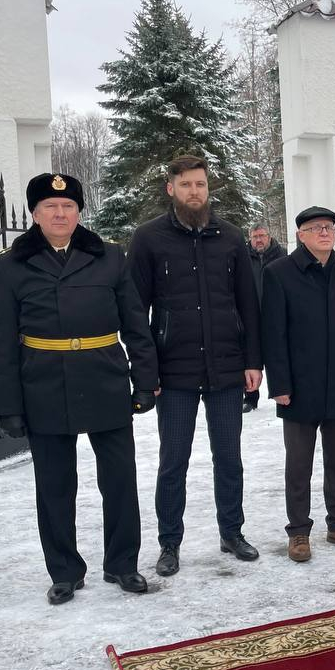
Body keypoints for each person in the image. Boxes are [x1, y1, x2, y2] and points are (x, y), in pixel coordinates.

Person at [0, 173, 159, 604]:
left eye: (67, 207)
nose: (60, 214)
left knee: (119, 479)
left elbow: (136, 324)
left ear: (79, 211)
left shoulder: (109, 255)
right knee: (54, 484)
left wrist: (145, 381)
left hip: (104, 376)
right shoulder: (11, 264)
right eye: (50, 207)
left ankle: (123, 564)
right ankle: (64, 571)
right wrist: (6, 402)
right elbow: (1, 338)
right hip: (43, 382)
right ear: (34, 214)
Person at [126, 154, 263, 578]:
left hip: (225, 369)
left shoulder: (231, 237)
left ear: (208, 189)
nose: (194, 192)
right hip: (175, 372)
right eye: (186, 184)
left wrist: (253, 361)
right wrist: (147, 374)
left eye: (200, 184)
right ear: (171, 188)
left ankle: (232, 531)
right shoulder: (149, 239)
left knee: (229, 456)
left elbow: (248, 305)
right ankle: (170, 542)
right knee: (174, 460)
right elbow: (135, 311)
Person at [261, 206, 335, 563]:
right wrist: (279, 384)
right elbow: (273, 333)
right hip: (299, 385)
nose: (324, 233)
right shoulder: (279, 273)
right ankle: (298, 531)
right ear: (301, 235)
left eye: (329, 227)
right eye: (315, 228)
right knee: (299, 462)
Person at [243, 220, 285, 413]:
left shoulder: (283, 256)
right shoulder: (242, 258)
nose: (259, 240)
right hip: (250, 315)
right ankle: (250, 397)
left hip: (276, 316)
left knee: (278, 357)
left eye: (262, 236)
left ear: (269, 237)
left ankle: (281, 392)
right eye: (255, 237)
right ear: (250, 238)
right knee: (250, 358)